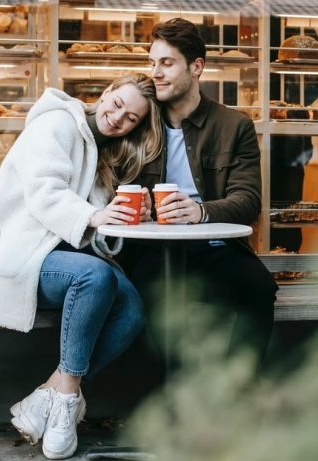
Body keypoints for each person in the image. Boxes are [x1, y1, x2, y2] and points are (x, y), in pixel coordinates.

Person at [0, 73, 163, 460]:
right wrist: (96, 215)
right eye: (117, 104)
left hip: (58, 263)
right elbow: (46, 194)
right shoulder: (57, 123)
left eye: (131, 118)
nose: (118, 117)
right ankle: (63, 411)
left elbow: (94, 235)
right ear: (104, 92)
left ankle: (54, 393)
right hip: (16, 255)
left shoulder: (103, 151)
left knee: (131, 309)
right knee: (94, 275)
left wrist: (125, 217)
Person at [120, 18, 278, 364]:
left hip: (212, 250)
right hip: (152, 251)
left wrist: (201, 212)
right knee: (147, 301)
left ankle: (237, 389)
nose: (155, 73)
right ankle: (176, 398)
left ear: (196, 67)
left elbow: (248, 200)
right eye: (152, 63)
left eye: (166, 63)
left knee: (260, 289)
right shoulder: (140, 121)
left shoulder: (234, 126)